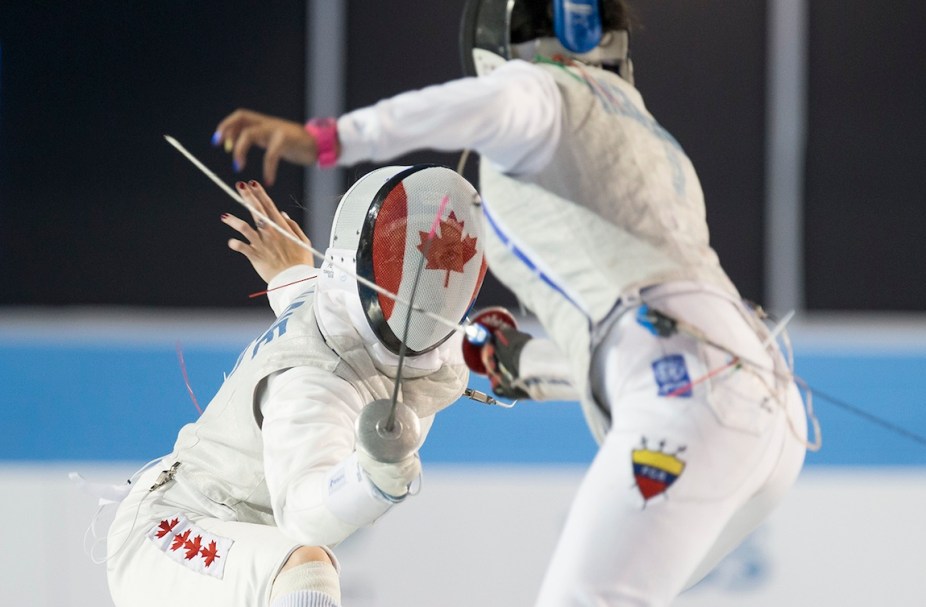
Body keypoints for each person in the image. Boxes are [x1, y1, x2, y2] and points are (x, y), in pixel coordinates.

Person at [213, 1, 814, 603]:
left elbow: (482, 105)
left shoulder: (540, 91)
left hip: (687, 397)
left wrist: (326, 138)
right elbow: (636, 348)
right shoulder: (640, 127)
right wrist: (524, 365)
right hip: (766, 400)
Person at [105, 166, 487, 607]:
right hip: (172, 534)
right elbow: (306, 519)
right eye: (405, 256)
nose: (430, 281)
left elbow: (302, 292)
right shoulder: (314, 381)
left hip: (234, 556)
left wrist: (287, 271)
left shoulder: (334, 303)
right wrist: (373, 478)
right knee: (306, 568)